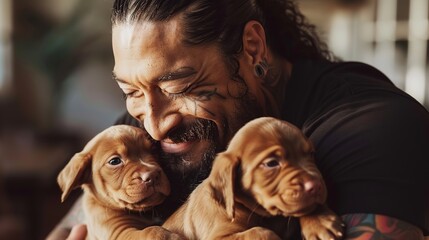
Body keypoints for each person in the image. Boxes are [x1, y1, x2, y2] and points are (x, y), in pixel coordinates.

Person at [47, 0, 429, 239]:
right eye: (130, 92)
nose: (154, 125)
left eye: (180, 86)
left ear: (252, 49)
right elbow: (73, 228)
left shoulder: (370, 130)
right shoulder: (145, 138)